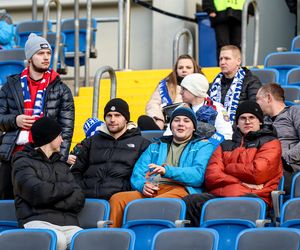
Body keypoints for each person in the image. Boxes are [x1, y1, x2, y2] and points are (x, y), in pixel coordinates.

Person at [109, 107, 215, 228]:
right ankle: (113, 239)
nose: (181, 124)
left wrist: (167, 171)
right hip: (154, 188)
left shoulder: (203, 146)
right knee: (117, 199)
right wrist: (143, 185)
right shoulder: (156, 145)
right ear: (170, 126)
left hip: (182, 189)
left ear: (194, 127)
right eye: (176, 120)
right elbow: (138, 172)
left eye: (186, 121)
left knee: (156, 203)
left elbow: (198, 175)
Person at [183, 101, 283, 227]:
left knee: (239, 204)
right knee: (190, 202)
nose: (247, 121)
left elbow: (257, 173)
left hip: (254, 196)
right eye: (242, 118)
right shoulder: (224, 144)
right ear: (237, 123)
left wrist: (228, 168)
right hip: (220, 194)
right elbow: (212, 176)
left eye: (252, 117)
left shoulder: (271, 142)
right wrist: (240, 182)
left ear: (260, 121)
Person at [0, 33, 74, 199]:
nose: (46, 57)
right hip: (13, 154)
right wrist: (15, 120)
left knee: (35, 202)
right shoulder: (10, 86)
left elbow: (66, 130)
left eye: (48, 53)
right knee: (6, 204)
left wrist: (59, 161)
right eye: (40, 54)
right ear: (30, 58)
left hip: (44, 156)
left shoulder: (62, 89)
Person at [12, 117, 85, 250]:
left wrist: (49, 199)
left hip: (67, 224)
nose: (62, 140)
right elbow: (37, 193)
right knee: (58, 240)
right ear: (49, 138)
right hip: (36, 222)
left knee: (85, 239)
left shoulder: (61, 165)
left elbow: (79, 198)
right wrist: (66, 189)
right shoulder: (22, 162)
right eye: (59, 136)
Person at [71, 98, 150, 200]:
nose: (112, 120)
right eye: (109, 115)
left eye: (117, 115)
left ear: (126, 119)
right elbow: (75, 172)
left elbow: (143, 176)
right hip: (85, 198)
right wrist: (80, 189)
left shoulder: (142, 144)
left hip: (118, 199)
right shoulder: (91, 142)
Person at [138, 54, 203, 130]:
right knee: (143, 120)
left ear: (194, 69)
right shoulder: (164, 86)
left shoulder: (201, 86)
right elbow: (153, 104)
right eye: (180, 68)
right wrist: (159, 119)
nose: (184, 70)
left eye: (188, 67)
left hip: (193, 124)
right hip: (168, 124)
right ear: (176, 70)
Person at [256, 83, 300, 192]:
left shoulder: (294, 112)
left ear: (269, 98)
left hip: (289, 169)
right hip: (263, 168)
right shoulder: (261, 122)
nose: (256, 104)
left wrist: (282, 158)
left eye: (258, 99)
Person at [209, 45, 261, 123]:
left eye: (227, 59)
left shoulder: (251, 81)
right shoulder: (215, 83)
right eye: (221, 59)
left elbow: (255, 109)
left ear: (238, 61)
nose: (222, 62)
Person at [180, 73, 233, 140]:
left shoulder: (217, 108)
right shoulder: (180, 109)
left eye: (184, 89)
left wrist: (208, 142)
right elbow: (169, 134)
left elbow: (226, 136)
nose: (180, 92)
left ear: (195, 90)